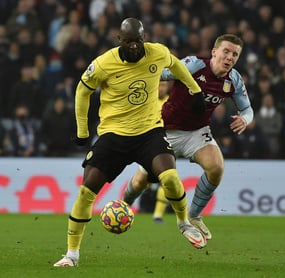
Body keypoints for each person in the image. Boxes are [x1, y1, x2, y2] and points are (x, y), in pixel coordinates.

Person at [53, 18, 208, 267]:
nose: (134, 46)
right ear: (119, 40)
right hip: (114, 135)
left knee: (169, 177)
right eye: (129, 42)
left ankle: (183, 223)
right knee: (86, 192)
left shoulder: (157, 52)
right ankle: (72, 254)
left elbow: (177, 66)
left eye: (138, 40)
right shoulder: (104, 63)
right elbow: (82, 90)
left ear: (143, 38)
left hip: (149, 132)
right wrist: (82, 130)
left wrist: (195, 91)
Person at [123, 34, 254, 239]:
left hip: (197, 132)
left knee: (216, 167)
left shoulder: (234, 79)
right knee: (141, 180)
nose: (229, 57)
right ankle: (124, 206)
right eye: (226, 51)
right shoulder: (194, 65)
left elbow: (247, 109)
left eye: (235, 54)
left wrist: (245, 119)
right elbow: (162, 74)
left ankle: (194, 215)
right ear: (214, 52)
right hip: (166, 130)